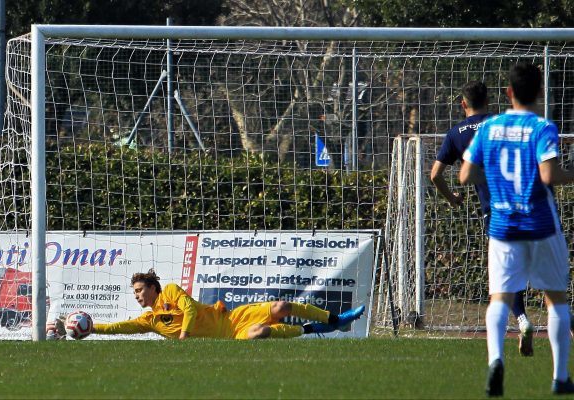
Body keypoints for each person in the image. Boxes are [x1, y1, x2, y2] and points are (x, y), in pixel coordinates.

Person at [460, 62, 574, 396]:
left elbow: (465, 175)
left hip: (503, 225)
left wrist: (496, 182)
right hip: (540, 224)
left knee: (499, 297)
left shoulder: (489, 127)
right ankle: (560, 377)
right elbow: (549, 175)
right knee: (556, 299)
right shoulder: (542, 128)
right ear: (540, 92)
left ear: (508, 92)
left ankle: (496, 359)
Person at [431, 81, 534, 357]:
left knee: (503, 276)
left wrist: (452, 198)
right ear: (488, 101)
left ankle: (520, 325)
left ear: (463, 104)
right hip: (529, 206)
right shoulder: (501, 123)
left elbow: (435, 175)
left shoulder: (456, 134)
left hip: (496, 212)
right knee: (546, 279)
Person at [88, 269, 365, 340]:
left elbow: (191, 309)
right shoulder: (151, 322)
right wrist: (91, 329)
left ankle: (335, 320)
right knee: (260, 332)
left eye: (139, 291)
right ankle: (313, 329)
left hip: (232, 317)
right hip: (231, 336)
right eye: (134, 293)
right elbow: (118, 327)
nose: (137, 296)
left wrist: (184, 333)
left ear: (152, 288)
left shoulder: (170, 291)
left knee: (281, 306)